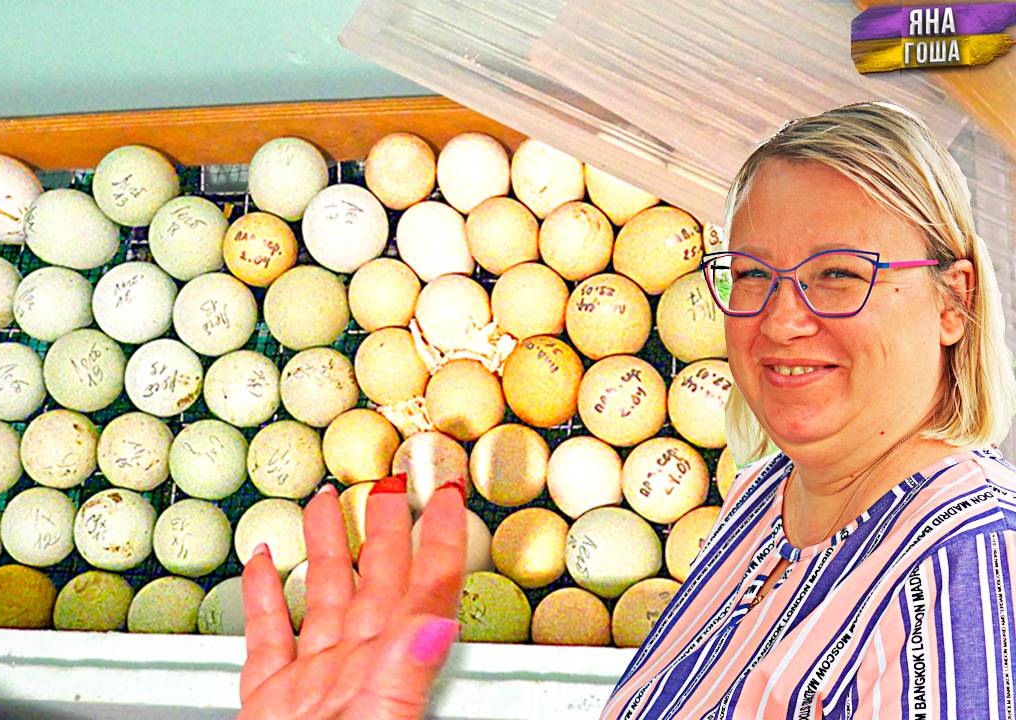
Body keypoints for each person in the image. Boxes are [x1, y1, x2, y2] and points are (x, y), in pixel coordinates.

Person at [238, 100, 1016, 719]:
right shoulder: (768, 498)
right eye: (751, 274)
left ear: (953, 302)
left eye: (841, 272)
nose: (781, 320)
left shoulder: (970, 575)